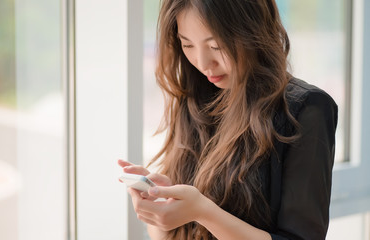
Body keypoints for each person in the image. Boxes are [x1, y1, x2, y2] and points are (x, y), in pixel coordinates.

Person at [118, 0, 338, 239]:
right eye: (187, 44)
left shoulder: (306, 108)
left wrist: (202, 211)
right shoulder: (195, 97)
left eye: (215, 46)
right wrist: (163, 206)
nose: (203, 64)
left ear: (252, 30)